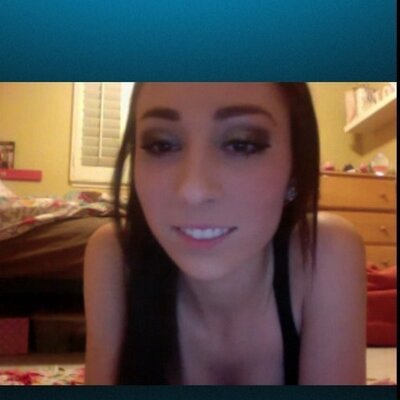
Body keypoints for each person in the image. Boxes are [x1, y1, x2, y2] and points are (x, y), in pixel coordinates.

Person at [84, 83, 366, 385]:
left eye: (241, 144)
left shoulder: (324, 253)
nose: (193, 190)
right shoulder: (115, 256)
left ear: (295, 169)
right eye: (160, 145)